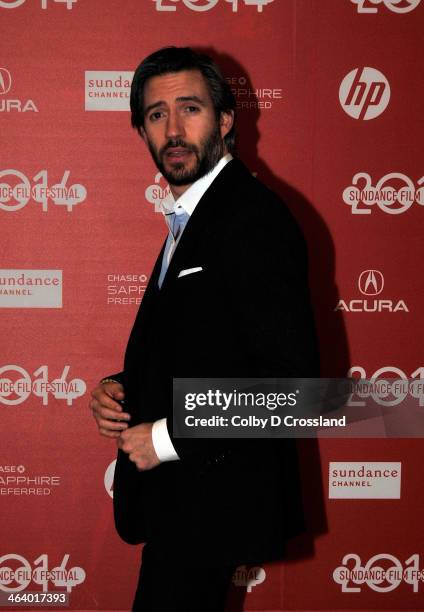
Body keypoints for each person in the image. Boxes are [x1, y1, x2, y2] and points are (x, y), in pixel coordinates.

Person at [90, 46, 319, 612]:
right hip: (186, 506)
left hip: (211, 501)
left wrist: (164, 438)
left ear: (224, 120)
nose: (172, 128)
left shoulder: (251, 219)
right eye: (155, 114)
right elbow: (209, 345)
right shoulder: (196, 216)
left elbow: (293, 388)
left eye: (189, 108)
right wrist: (123, 389)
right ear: (140, 130)